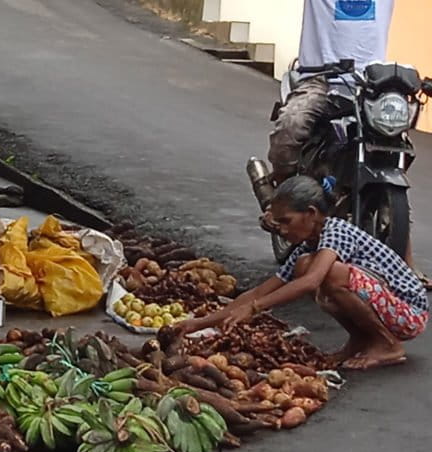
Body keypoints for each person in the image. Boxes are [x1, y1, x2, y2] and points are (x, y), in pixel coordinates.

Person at [180, 176, 428, 370]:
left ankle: (387, 344)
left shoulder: (337, 231)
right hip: (387, 307)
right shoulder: (307, 248)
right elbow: (260, 290)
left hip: (409, 313)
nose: (281, 230)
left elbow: (311, 282)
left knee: (329, 274)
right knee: (304, 266)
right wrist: (197, 324)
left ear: (311, 213)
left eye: (286, 221)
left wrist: (255, 308)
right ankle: (359, 340)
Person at [265, 0, 431, 288]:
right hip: (319, 79)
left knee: (392, 153)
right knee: (289, 127)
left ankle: (406, 263)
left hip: (370, 84)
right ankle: (282, 197)